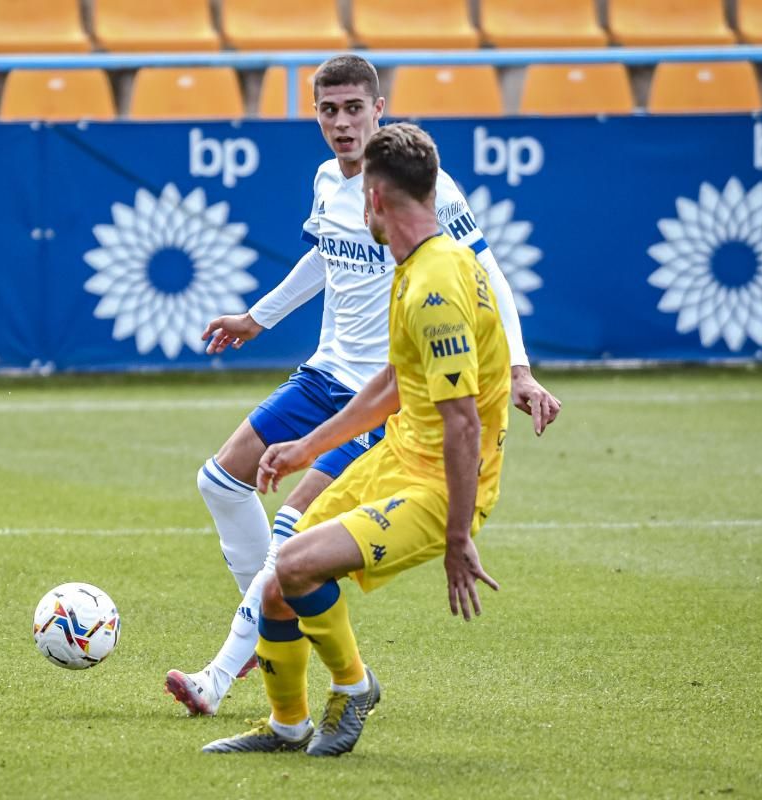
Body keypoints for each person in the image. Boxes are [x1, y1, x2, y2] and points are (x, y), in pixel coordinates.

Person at [165, 55, 559, 717]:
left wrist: (518, 369)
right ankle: (272, 614)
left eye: (354, 108)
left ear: (381, 108)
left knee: (292, 532)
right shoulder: (327, 180)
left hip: (381, 394)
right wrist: (258, 318)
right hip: (325, 372)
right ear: (315, 113)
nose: (342, 123)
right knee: (220, 480)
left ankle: (223, 668)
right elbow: (325, 252)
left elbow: (490, 275)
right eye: (329, 109)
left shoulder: (426, 192)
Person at [203, 121, 508, 756]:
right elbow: (395, 382)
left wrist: (457, 537)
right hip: (398, 451)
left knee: (291, 563)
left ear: (373, 199)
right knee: (275, 587)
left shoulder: (432, 288)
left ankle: (355, 685)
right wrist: (308, 448)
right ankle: (287, 725)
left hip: (438, 485)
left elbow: (462, 422)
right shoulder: (418, 264)